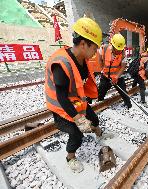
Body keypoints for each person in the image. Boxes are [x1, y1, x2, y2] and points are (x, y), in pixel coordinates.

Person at [45, 17, 103, 173]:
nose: (96, 52)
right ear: (83, 44)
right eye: (95, 48)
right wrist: (78, 119)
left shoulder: (83, 58)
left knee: (94, 118)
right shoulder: (61, 63)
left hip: (77, 102)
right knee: (77, 133)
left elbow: (81, 82)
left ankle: (99, 134)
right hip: (61, 107)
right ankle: (70, 157)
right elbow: (61, 97)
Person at [97, 33, 132, 109]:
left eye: (120, 49)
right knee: (101, 91)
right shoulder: (104, 48)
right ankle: (99, 105)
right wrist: (102, 69)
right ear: (112, 45)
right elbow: (99, 59)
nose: (119, 51)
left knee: (123, 92)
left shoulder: (123, 53)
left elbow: (123, 66)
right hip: (106, 76)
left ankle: (128, 105)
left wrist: (116, 77)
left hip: (118, 77)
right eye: (117, 49)